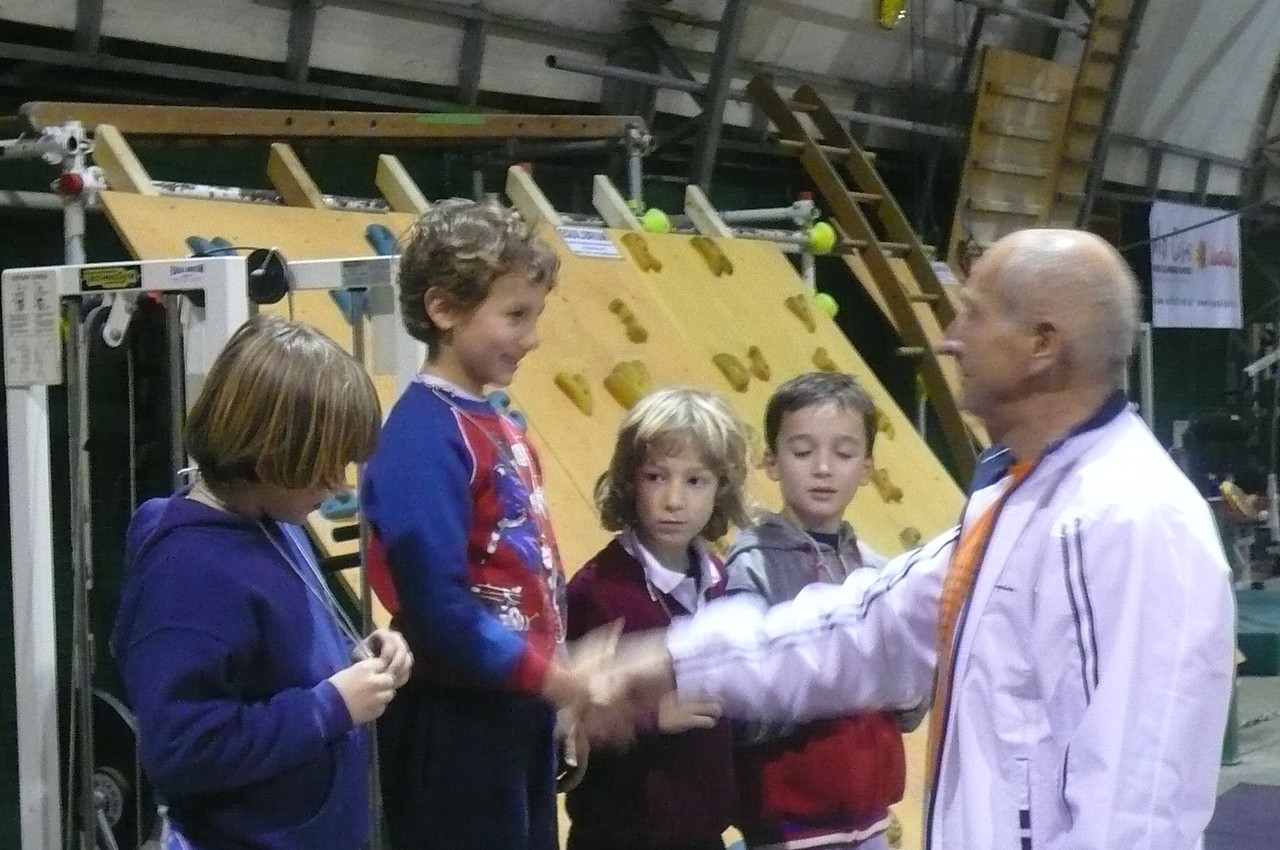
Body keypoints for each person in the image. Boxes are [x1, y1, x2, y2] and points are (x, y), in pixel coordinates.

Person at [580, 229, 1236, 850]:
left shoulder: (1133, 519)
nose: (950, 339)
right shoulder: (1016, 497)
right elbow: (865, 626)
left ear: (1042, 344)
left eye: (973, 316)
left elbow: (1136, 809)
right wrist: (672, 661)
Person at [111, 315, 414, 850]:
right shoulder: (187, 571)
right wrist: (331, 706)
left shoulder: (274, 522)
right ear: (274, 460)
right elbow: (181, 748)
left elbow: (278, 657)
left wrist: (357, 654)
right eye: (326, 468)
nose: (337, 485)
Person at [361, 198, 585, 850]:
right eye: (515, 315)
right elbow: (435, 607)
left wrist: (557, 688)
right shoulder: (422, 436)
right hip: (453, 720)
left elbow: (536, 568)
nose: (532, 336)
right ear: (444, 309)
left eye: (534, 316)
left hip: (515, 708)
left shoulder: (504, 426)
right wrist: (549, 675)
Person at [726, 372, 910, 850]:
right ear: (771, 461)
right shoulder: (754, 564)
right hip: (790, 828)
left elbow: (909, 707)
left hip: (872, 821)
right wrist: (829, 679)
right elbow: (742, 704)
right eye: (803, 452)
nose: (823, 468)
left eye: (844, 454)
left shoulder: (878, 571)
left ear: (867, 467)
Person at [565, 387, 751, 850]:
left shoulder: (719, 580)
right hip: (618, 835)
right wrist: (651, 717)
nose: (673, 499)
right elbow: (566, 726)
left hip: (703, 834)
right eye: (655, 477)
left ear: (721, 488)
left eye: (695, 481)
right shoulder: (598, 589)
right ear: (630, 482)